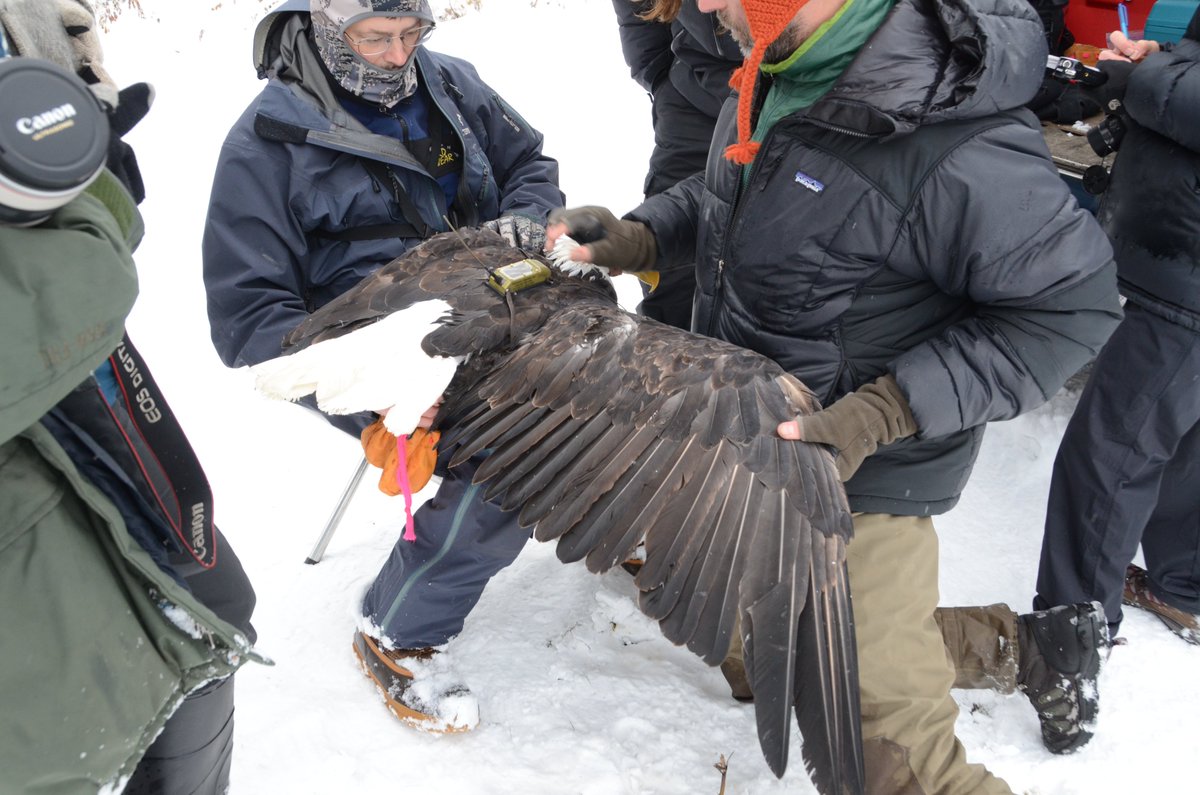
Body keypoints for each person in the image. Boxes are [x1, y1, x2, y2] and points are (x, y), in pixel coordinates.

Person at [547, 0, 1123, 790]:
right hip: (759, 444)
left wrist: (882, 411)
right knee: (752, 641)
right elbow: (734, 197)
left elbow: (1073, 308)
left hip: (861, 474)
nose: (702, 5)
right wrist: (644, 236)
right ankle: (1023, 647)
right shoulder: (778, 69)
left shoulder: (950, 137)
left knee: (886, 757)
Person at [202, 0, 564, 731]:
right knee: (516, 456)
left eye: (412, 33)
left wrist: (525, 216)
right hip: (370, 349)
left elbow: (530, 161)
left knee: (621, 380)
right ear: (331, 31)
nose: (400, 56)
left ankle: (621, 513)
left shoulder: (451, 85)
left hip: (488, 307)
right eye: (376, 39)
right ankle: (399, 627)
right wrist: (370, 385)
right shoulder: (267, 141)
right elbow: (248, 317)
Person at [0, 1, 260, 792]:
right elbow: (68, 288)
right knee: (68, 740)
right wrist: (92, 206)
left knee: (211, 619)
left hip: (90, 427)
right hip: (30, 597)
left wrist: (76, 109)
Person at [1035, 8, 1200, 647]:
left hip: (1184, 280)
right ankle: (1181, 582)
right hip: (1176, 264)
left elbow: (1178, 95)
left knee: (1112, 450)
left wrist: (1145, 70)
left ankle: (1069, 634)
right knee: (1180, 436)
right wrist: (1167, 54)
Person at [612, 0, 742, 329]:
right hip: (692, 99)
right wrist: (660, 76)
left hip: (803, 87)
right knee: (672, 276)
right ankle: (671, 363)